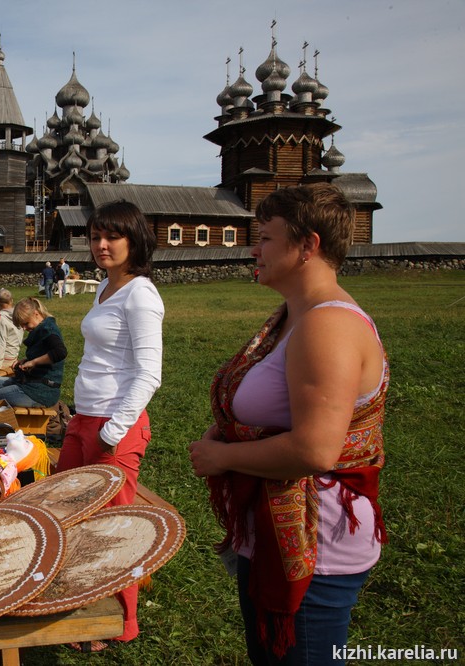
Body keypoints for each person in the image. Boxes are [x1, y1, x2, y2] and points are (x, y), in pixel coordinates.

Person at [188, 183, 389, 664]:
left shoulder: (328, 326)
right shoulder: (295, 317)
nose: (254, 249)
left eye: (268, 237)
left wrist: (223, 456)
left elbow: (316, 451)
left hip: (315, 550)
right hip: (275, 535)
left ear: (308, 246)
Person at [56, 201, 164, 651]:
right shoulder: (105, 286)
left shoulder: (140, 293)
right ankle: (84, 602)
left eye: (112, 236)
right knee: (72, 514)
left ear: (133, 240)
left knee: (116, 527)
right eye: (95, 236)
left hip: (113, 426)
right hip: (85, 418)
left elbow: (149, 371)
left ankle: (121, 622)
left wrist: (113, 430)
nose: (101, 245)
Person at [0, 297, 66, 408]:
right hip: (29, 383)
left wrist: (33, 362)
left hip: (41, 392)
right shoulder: (40, 329)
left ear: (36, 314)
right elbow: (43, 357)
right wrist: (26, 361)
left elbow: (60, 352)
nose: (24, 328)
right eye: (22, 326)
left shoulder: (48, 329)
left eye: (26, 324)